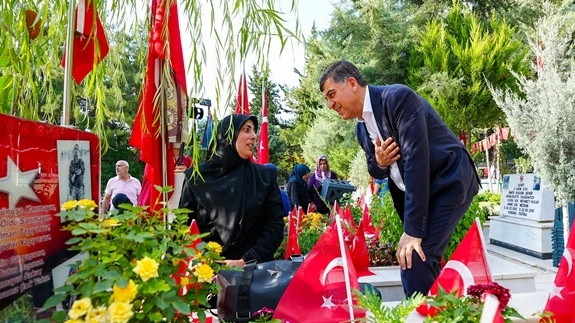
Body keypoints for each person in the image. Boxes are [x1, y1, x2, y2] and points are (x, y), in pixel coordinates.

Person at [319, 60, 480, 298]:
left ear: (352, 83)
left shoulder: (398, 99)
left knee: (414, 259)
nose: (331, 104)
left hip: (449, 181)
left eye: (332, 95)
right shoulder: (361, 129)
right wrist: (381, 162)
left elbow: (417, 161)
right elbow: (374, 169)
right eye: (327, 100)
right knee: (423, 261)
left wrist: (413, 231)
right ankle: (445, 321)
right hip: (418, 193)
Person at [179, 114, 284, 268]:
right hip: (204, 275)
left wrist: (246, 261)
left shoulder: (264, 178)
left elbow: (274, 227)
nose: (254, 136)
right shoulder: (197, 178)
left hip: (251, 275)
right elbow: (183, 227)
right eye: (246, 130)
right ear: (228, 135)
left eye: (254, 131)